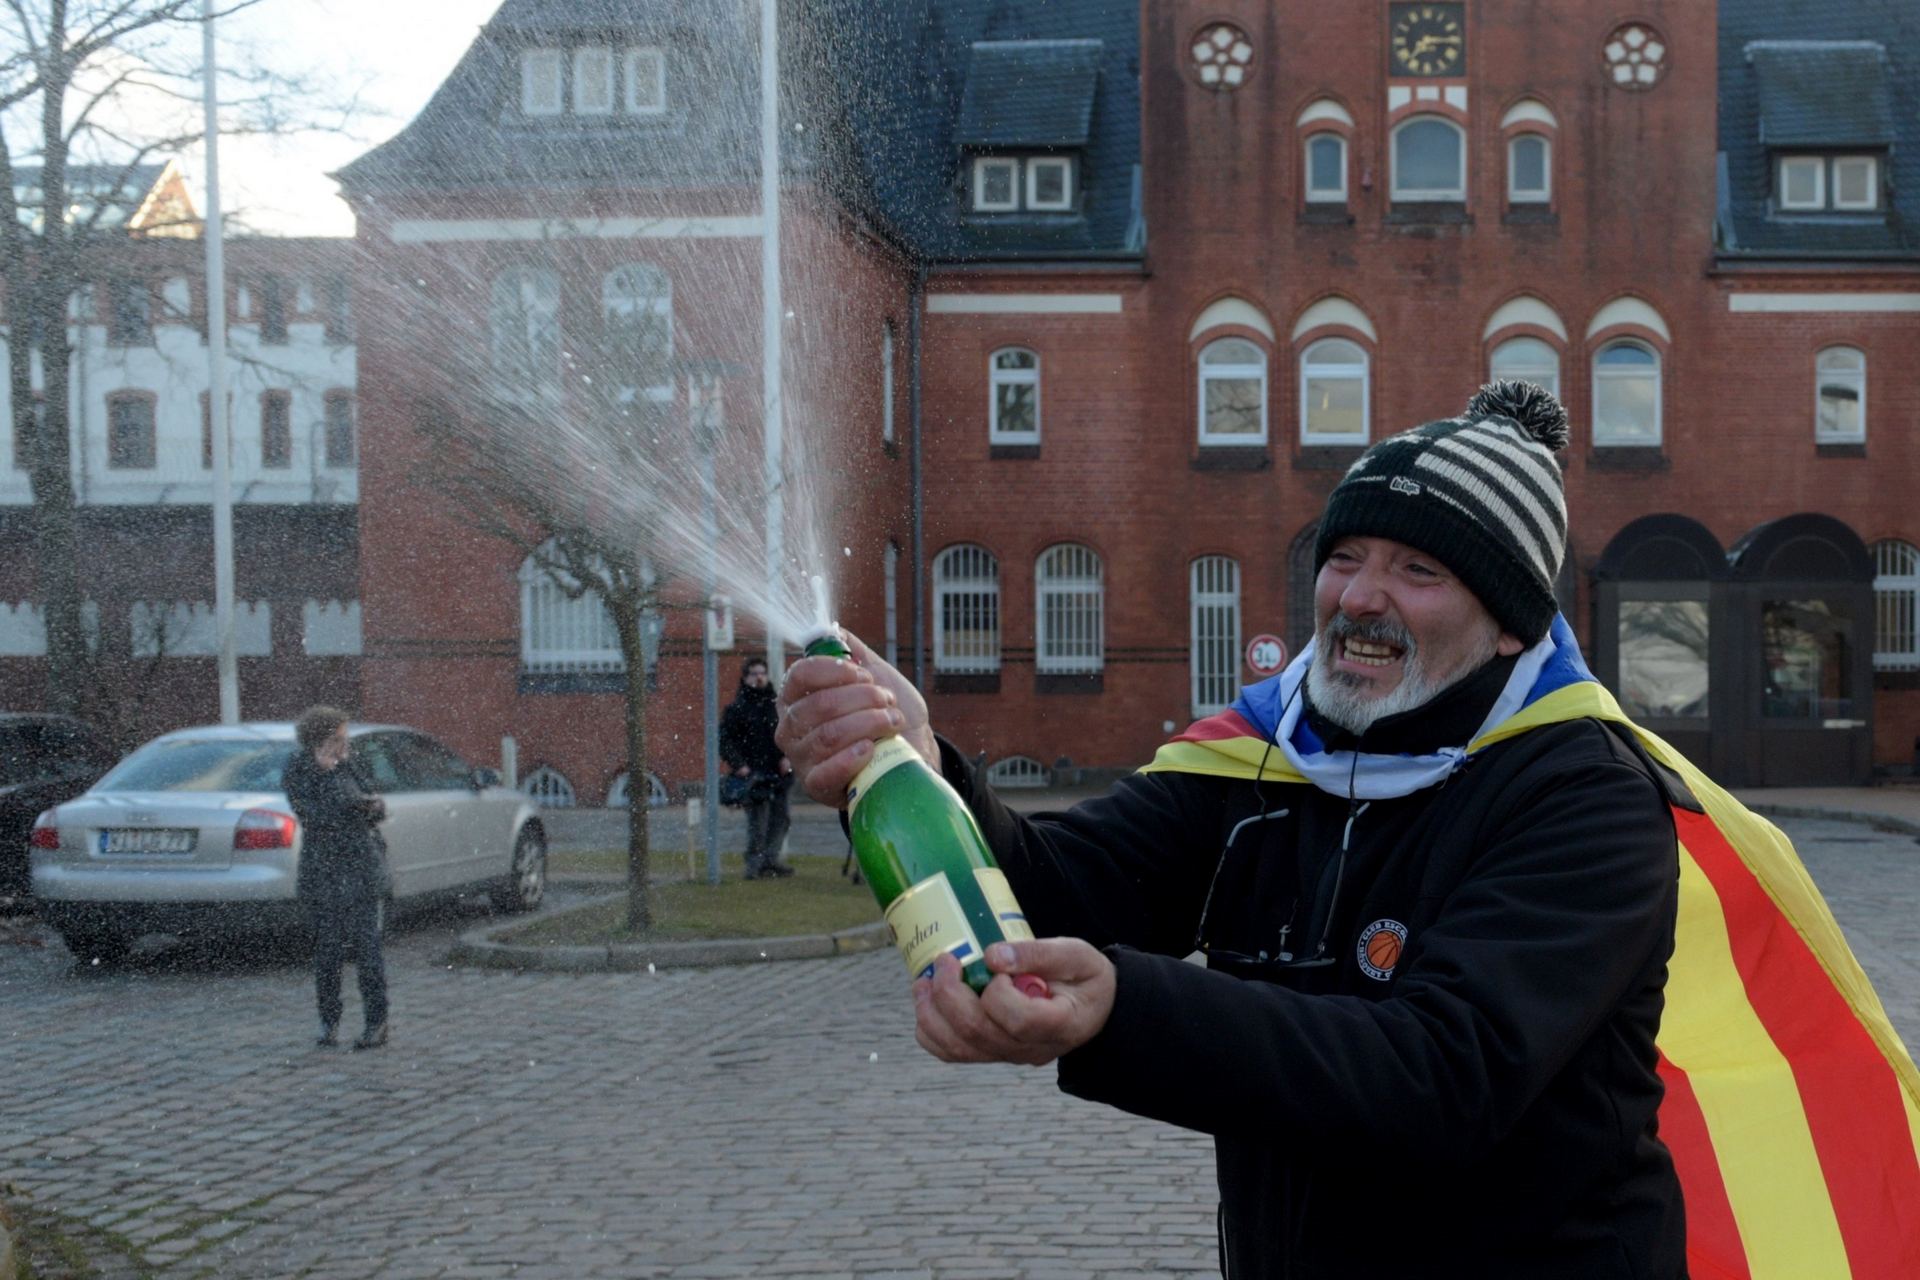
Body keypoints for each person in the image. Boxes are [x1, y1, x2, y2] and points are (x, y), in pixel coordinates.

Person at [777, 383, 1687, 1277]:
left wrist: (1123, 1009)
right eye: (1347, 556)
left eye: (1420, 570)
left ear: (1507, 626)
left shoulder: (1587, 796)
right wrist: (911, 764)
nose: (1362, 597)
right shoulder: (1260, 754)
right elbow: (1062, 890)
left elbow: (1443, 1076)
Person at [283, 706, 390, 1050]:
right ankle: (329, 1021)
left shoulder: (351, 763)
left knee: (367, 949)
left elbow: (376, 804)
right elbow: (313, 815)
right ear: (320, 738)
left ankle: (377, 1021)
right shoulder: (299, 768)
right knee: (327, 952)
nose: (344, 745)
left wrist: (371, 806)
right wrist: (331, 781)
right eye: (338, 738)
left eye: (345, 738)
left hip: (360, 866)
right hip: (324, 869)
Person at [719, 658, 795, 880]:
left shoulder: (777, 705)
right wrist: (739, 765)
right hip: (752, 774)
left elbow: (789, 733)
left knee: (781, 818)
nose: (759, 677)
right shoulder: (737, 709)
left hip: (777, 772)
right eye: (754, 673)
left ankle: (771, 861)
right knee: (758, 823)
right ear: (745, 678)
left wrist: (786, 757)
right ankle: (754, 865)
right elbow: (726, 741)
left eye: (762, 672)